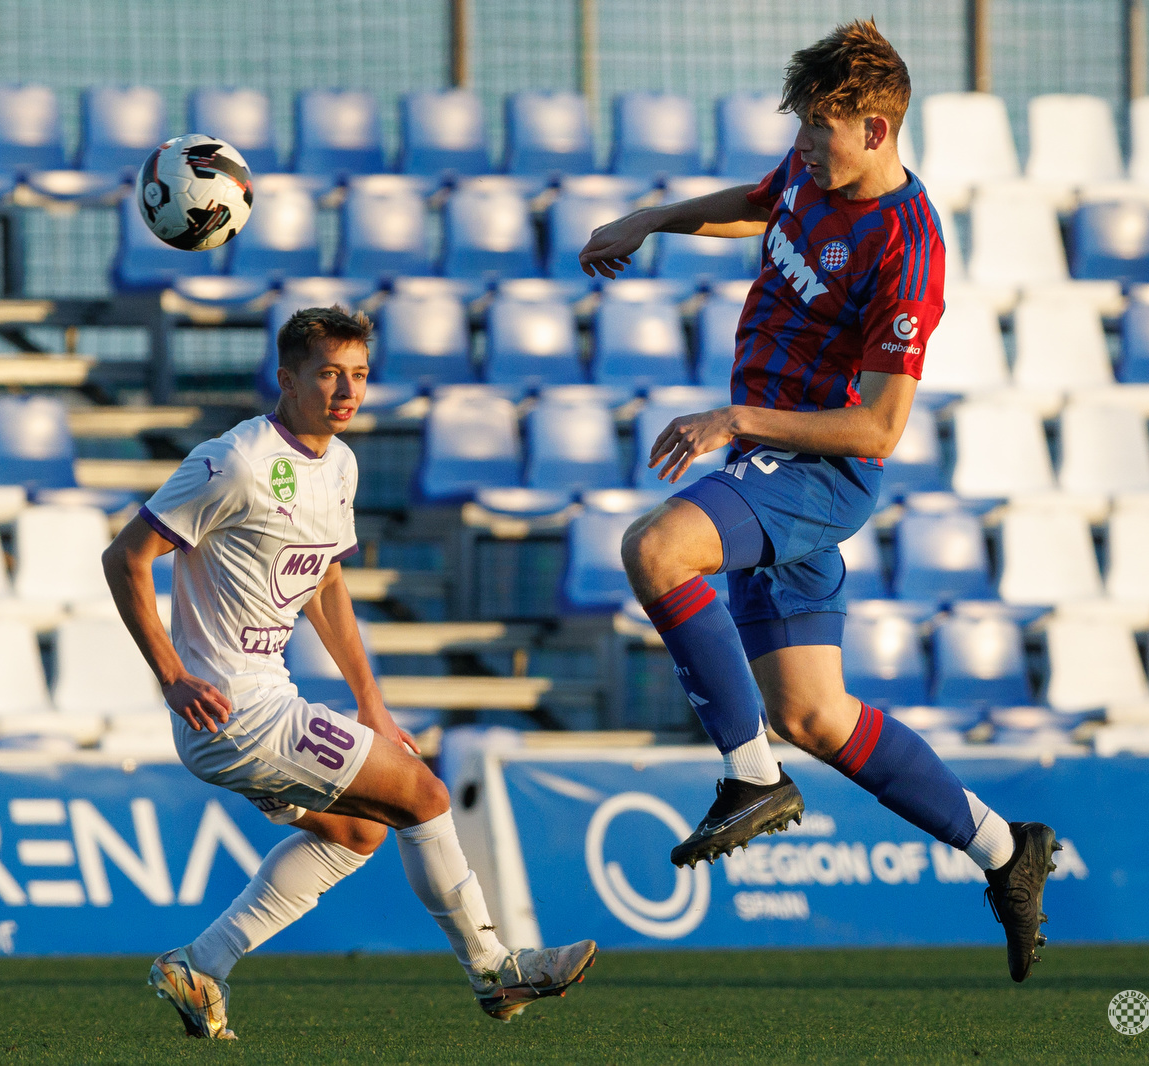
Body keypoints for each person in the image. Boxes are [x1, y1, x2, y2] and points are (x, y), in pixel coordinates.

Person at [578, 19, 1058, 982]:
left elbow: (879, 432)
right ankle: (1008, 851)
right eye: (799, 128)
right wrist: (649, 221)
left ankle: (749, 778)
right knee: (814, 715)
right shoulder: (812, 171)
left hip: (814, 469)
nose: (802, 146)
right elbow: (759, 202)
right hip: (771, 462)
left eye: (819, 131)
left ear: (877, 131)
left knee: (655, 550)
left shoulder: (907, 250)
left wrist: (735, 420)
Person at [102, 305, 595, 1038]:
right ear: (288, 378)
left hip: (266, 699)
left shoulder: (339, 463)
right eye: (329, 373)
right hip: (235, 710)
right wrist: (172, 675)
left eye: (358, 375)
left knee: (357, 835)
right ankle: (494, 971)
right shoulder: (232, 461)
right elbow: (125, 557)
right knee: (423, 796)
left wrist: (372, 703)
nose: (346, 391)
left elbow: (326, 582)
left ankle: (202, 966)